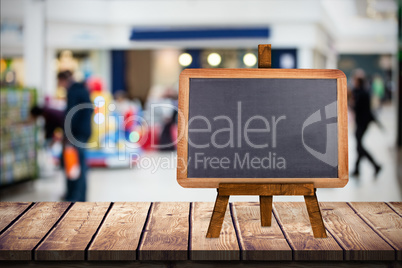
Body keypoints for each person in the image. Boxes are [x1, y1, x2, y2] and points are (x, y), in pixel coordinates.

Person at [58, 70, 93, 201]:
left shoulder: (73, 91)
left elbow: (71, 115)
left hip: (76, 134)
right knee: (78, 164)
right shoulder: (82, 89)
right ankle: (78, 196)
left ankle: (75, 196)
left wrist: (67, 134)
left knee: (74, 165)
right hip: (83, 132)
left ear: (63, 80)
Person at [351, 76, 381, 177]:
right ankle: (357, 169)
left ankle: (375, 165)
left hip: (362, 123)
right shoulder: (361, 92)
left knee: (359, 146)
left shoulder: (362, 94)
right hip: (362, 123)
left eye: (354, 80)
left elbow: (357, 108)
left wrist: (351, 103)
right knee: (359, 146)